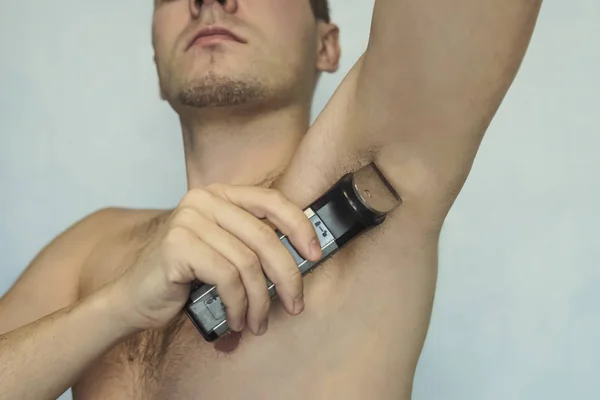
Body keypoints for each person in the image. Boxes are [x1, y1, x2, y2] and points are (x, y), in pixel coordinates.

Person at [0, 0, 543, 399]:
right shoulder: (93, 244)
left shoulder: (378, 166)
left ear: (327, 45)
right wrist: (116, 305)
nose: (210, 1)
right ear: (156, 67)